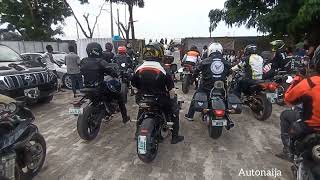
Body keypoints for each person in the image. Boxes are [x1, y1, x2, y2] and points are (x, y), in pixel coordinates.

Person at [131, 42, 184, 144]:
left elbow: (133, 85)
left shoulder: (138, 67)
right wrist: (172, 100)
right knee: (174, 111)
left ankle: (137, 132)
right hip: (160, 100)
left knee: (142, 109)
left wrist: (139, 93)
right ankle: (175, 137)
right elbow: (171, 90)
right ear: (160, 53)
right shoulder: (164, 69)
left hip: (143, 98)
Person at [276, 45, 320, 161]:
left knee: (285, 115)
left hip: (311, 127)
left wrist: (298, 79)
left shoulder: (310, 83)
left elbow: (288, 99)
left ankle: (288, 152)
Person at [80, 42, 130, 123]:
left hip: (86, 87)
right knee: (120, 97)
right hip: (99, 88)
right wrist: (115, 74)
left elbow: (81, 71)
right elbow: (110, 70)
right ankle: (125, 118)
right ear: (97, 50)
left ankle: (106, 112)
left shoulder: (83, 61)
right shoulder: (100, 61)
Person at [185, 43, 232, 121]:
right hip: (221, 87)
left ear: (210, 51)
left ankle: (190, 116)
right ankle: (226, 112)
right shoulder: (226, 62)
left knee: (195, 98)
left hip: (206, 87)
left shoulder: (205, 61)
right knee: (226, 96)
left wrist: (192, 80)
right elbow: (229, 73)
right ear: (221, 51)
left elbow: (196, 71)